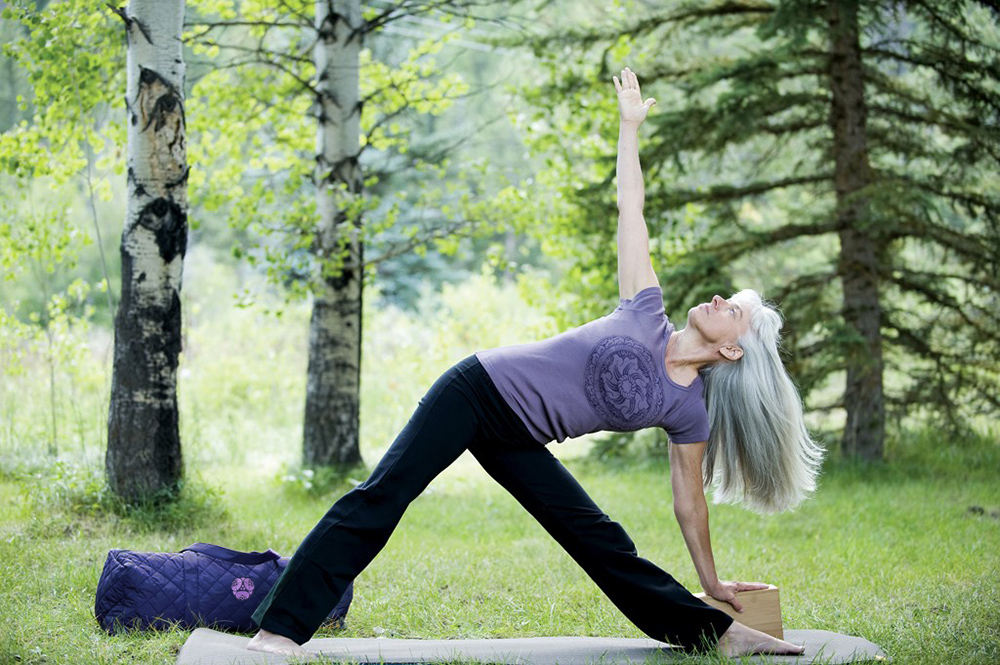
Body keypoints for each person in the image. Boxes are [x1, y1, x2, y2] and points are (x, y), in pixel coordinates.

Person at [247, 66, 823, 658]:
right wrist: (629, 129)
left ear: (732, 351)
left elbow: (688, 501)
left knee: (599, 539)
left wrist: (711, 582)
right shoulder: (647, 307)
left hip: (520, 435)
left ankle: (715, 633)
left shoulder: (687, 409)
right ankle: (279, 630)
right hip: (476, 391)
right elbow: (632, 209)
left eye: (737, 312)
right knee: (382, 496)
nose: (722, 299)